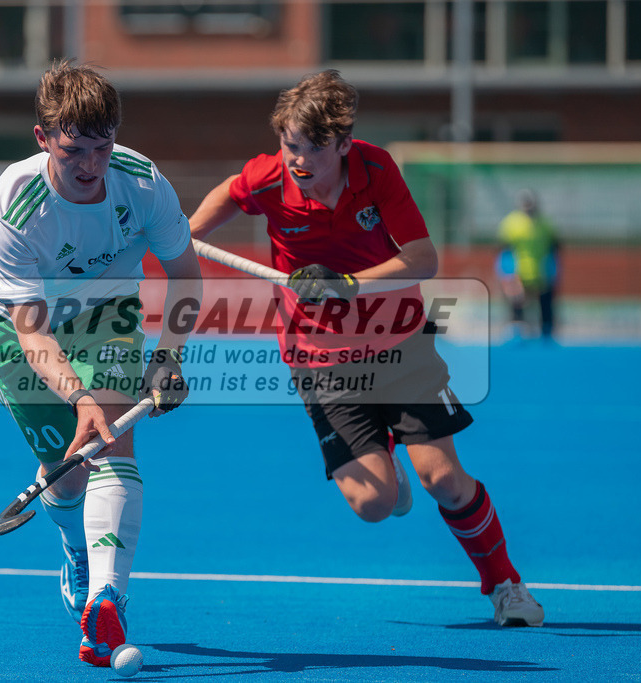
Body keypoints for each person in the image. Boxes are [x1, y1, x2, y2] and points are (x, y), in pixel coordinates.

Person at [188, 70, 544, 627]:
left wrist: (348, 284)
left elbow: (423, 258)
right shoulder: (269, 178)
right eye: (289, 146)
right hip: (320, 358)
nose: (297, 161)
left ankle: (504, 584)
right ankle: (385, 468)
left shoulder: (376, 170)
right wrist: (185, 235)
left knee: (446, 481)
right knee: (374, 504)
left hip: (399, 343)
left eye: (311, 148)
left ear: (344, 144)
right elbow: (231, 192)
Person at [0, 61, 202, 665]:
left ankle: (107, 603)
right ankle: (74, 546)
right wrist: (76, 397)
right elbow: (31, 330)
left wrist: (169, 358)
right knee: (66, 469)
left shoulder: (143, 183)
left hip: (107, 315)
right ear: (42, 138)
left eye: (102, 148)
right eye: (74, 149)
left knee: (108, 443)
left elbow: (185, 275)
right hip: (21, 328)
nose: (90, 166)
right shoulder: (14, 206)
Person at [496, 189, 560, 340]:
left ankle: (547, 336)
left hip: (541, 276)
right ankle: (516, 335)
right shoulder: (510, 224)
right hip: (518, 276)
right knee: (516, 307)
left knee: (546, 309)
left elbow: (554, 251)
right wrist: (508, 275)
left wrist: (552, 273)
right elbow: (504, 252)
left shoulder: (546, 224)